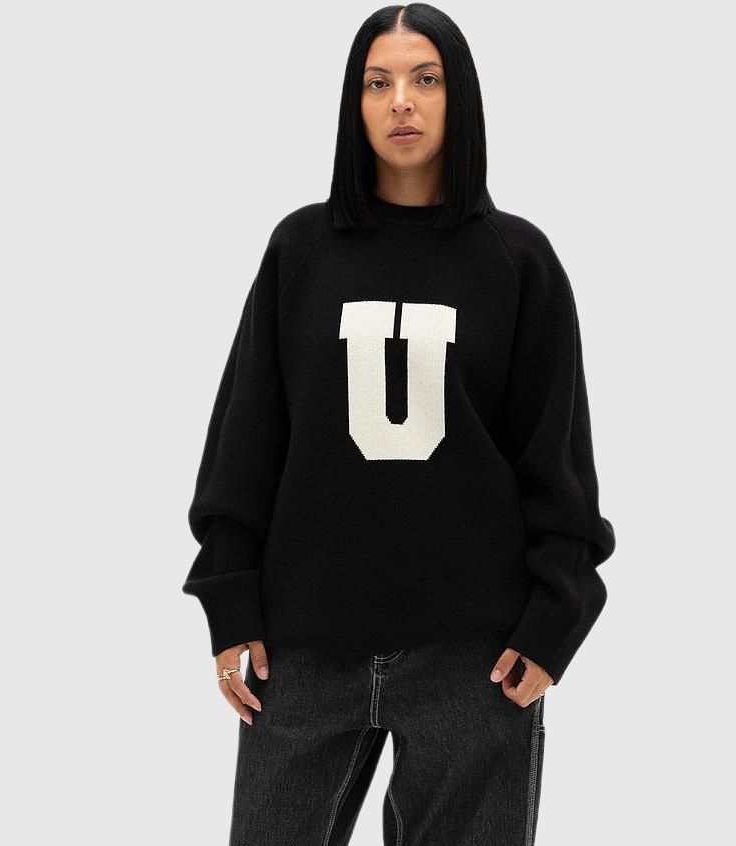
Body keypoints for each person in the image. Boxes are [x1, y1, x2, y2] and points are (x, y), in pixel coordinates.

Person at [181, 4, 616, 844]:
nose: (401, 102)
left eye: (426, 79)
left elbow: (557, 459)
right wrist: (229, 602)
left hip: (476, 660)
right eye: (377, 83)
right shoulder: (300, 250)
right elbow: (246, 438)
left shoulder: (517, 261)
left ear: (461, 98)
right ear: (355, 103)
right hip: (302, 649)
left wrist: (554, 620)